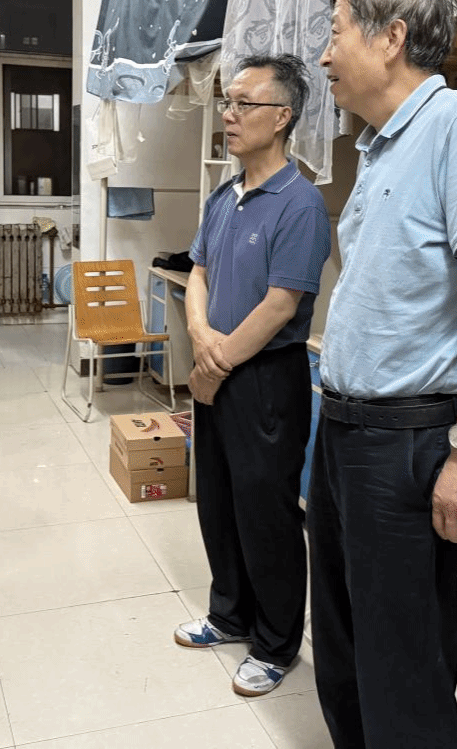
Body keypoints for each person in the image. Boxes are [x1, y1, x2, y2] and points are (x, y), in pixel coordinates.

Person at [310, 0, 457, 747]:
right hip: (344, 428)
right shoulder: (378, 146)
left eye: (336, 33)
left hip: (405, 440)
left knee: (401, 667)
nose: (325, 55)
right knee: (343, 648)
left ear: (392, 37)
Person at [174, 54, 331, 697]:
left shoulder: (301, 204)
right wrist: (200, 337)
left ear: (283, 116)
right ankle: (229, 614)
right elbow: (198, 273)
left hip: (266, 379)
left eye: (244, 104)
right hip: (216, 365)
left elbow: (280, 305)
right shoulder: (224, 196)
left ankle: (275, 644)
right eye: (228, 103)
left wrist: (217, 363)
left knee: (266, 513)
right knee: (217, 501)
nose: (229, 115)